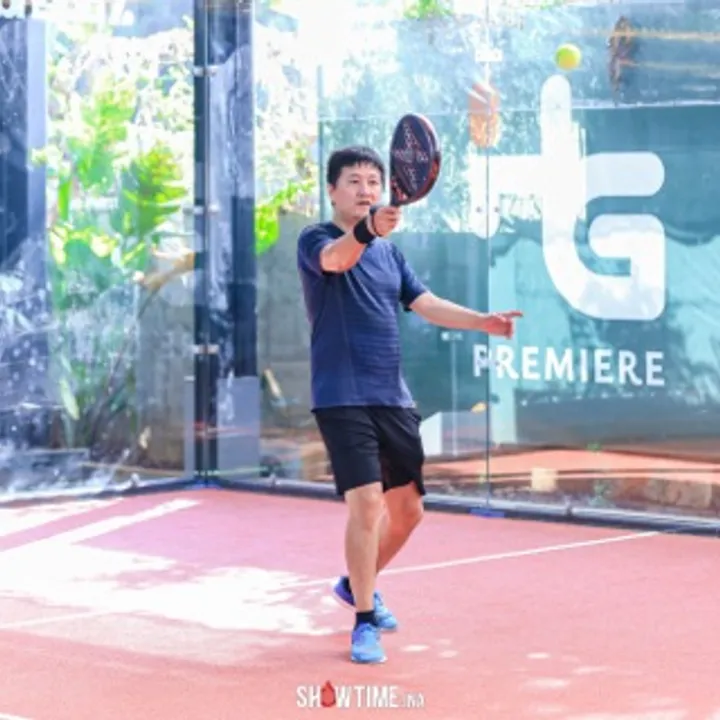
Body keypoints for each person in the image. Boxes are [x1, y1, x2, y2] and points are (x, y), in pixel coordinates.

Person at [296, 145, 522, 665]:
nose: (365, 189)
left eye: (373, 181)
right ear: (332, 191)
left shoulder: (390, 255)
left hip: (391, 397)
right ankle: (364, 620)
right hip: (341, 397)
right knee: (366, 503)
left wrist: (482, 321)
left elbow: (426, 303)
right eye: (354, 181)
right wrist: (367, 230)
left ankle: (354, 584)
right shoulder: (316, 239)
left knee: (409, 512)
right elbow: (337, 260)